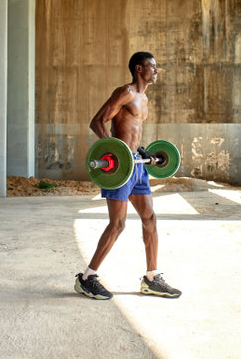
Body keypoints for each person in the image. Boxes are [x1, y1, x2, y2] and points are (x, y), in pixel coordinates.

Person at [74, 51, 181, 300]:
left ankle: (152, 278)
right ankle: (87, 278)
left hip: (138, 166)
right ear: (138, 68)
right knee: (118, 224)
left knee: (150, 218)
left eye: (156, 67)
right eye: (152, 66)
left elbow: (131, 134)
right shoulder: (126, 92)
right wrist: (115, 152)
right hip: (121, 168)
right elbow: (98, 121)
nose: (156, 70)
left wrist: (141, 152)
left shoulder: (144, 98)